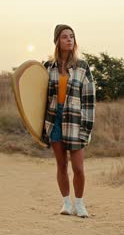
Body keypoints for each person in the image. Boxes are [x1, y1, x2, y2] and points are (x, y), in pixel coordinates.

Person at [41, 24, 96, 218]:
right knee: (61, 165)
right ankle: (66, 203)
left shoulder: (82, 67)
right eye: (65, 37)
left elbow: (89, 99)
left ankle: (80, 204)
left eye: (71, 36)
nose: (69, 40)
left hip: (75, 120)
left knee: (78, 168)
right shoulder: (48, 67)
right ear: (57, 41)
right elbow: (40, 99)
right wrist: (40, 128)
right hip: (55, 120)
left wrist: (86, 127)